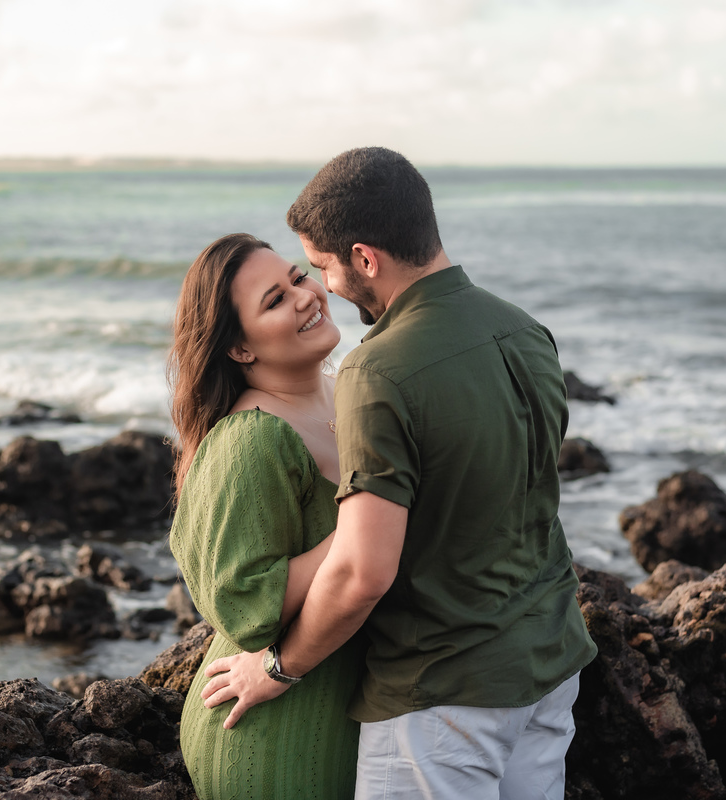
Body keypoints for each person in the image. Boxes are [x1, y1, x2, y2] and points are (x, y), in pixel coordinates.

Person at [199, 148, 598, 799]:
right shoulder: (526, 332)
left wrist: (278, 668)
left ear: (364, 258)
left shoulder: (376, 371)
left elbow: (362, 573)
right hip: (549, 669)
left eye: (321, 267)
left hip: (444, 696)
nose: (323, 287)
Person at [166, 232, 363, 800]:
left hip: (359, 713)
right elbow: (244, 604)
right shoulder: (252, 440)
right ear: (240, 349)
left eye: (298, 277)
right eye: (275, 300)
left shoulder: (353, 392)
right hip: (268, 734)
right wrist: (369, 522)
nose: (305, 296)